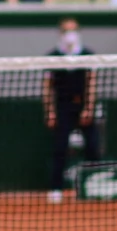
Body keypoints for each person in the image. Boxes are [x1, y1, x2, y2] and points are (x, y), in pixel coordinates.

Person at [42, 19, 100, 203]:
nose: (70, 34)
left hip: (83, 106)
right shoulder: (53, 56)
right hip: (62, 108)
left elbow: (92, 83)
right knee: (60, 148)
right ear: (60, 33)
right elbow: (47, 87)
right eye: (66, 31)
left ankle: (94, 187)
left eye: (73, 30)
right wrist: (50, 112)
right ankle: (56, 189)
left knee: (92, 147)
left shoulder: (87, 55)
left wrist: (89, 108)